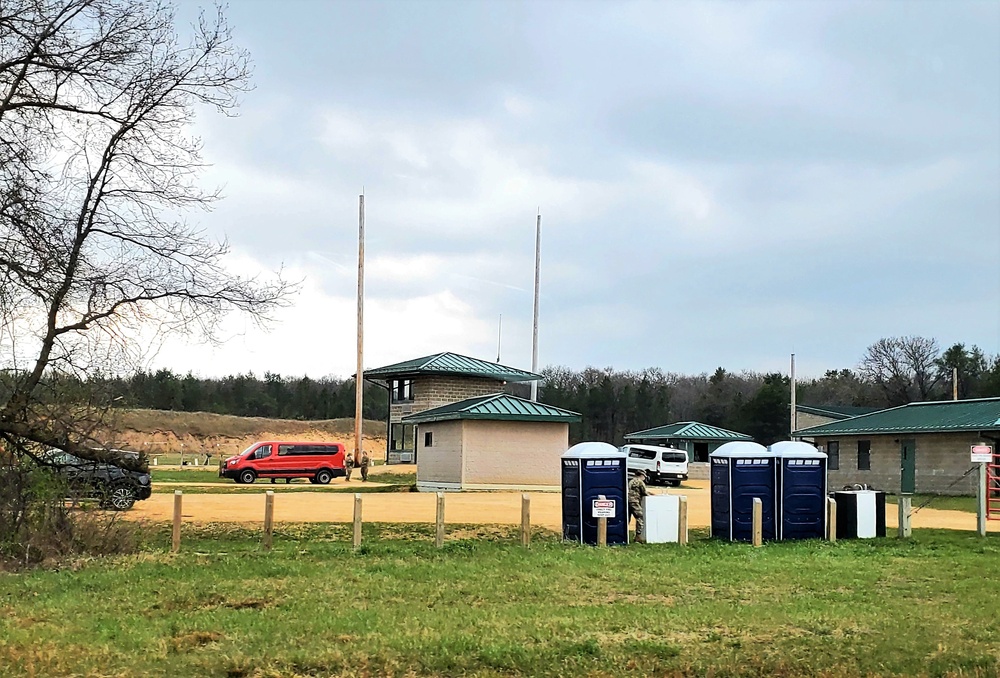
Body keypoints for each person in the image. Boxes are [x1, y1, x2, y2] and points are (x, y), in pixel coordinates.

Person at [628, 468, 649, 543]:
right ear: (641, 475)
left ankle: (624, 535)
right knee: (640, 517)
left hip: (628, 501)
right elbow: (644, 492)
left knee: (627, 518)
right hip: (635, 502)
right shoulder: (640, 482)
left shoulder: (631, 481)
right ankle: (638, 536)